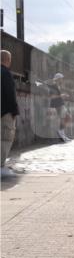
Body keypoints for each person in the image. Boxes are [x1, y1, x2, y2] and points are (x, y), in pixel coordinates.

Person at [1, 50, 19, 179]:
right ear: (8, 60)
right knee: (5, 138)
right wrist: (14, 111)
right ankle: (0, 166)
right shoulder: (6, 74)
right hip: (5, 112)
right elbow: (10, 94)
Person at [48, 73, 71, 141]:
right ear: (58, 79)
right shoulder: (53, 86)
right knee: (66, 117)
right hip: (57, 105)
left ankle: (62, 134)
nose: (62, 80)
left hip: (60, 104)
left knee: (65, 118)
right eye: (61, 78)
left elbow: (58, 96)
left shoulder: (58, 86)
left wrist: (63, 96)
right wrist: (61, 95)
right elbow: (51, 96)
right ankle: (61, 133)